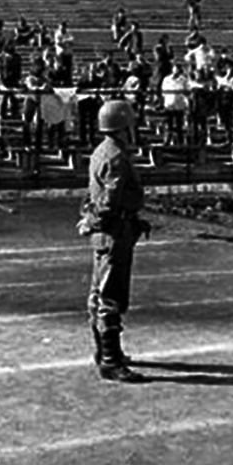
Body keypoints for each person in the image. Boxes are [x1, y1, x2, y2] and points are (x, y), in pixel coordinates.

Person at [76, 99, 149, 383]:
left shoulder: (100, 151)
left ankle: (104, 352)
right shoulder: (117, 156)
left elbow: (92, 195)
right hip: (113, 233)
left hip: (107, 233)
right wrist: (94, 220)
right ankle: (110, 360)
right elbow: (109, 201)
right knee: (110, 296)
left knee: (98, 293)